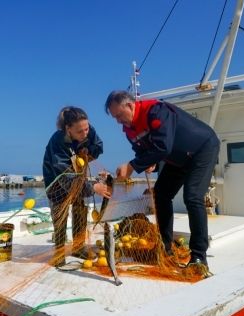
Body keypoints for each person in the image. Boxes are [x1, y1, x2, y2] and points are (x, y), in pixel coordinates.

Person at [104, 90, 219, 276]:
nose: (118, 121)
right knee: (161, 195)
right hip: (177, 159)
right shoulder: (129, 130)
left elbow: (163, 146)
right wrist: (150, 163)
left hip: (202, 149)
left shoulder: (156, 111)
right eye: (115, 118)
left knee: (193, 197)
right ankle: (165, 248)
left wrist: (133, 166)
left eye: (119, 115)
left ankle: (199, 256)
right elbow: (144, 152)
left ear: (130, 105)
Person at [43, 106, 111, 266]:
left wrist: (86, 151)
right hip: (57, 179)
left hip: (78, 173)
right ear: (68, 129)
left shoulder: (86, 128)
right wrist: (93, 187)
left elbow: (98, 146)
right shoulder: (57, 142)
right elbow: (66, 178)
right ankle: (59, 251)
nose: (85, 133)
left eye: (86, 129)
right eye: (80, 132)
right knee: (60, 212)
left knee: (80, 207)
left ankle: (78, 247)